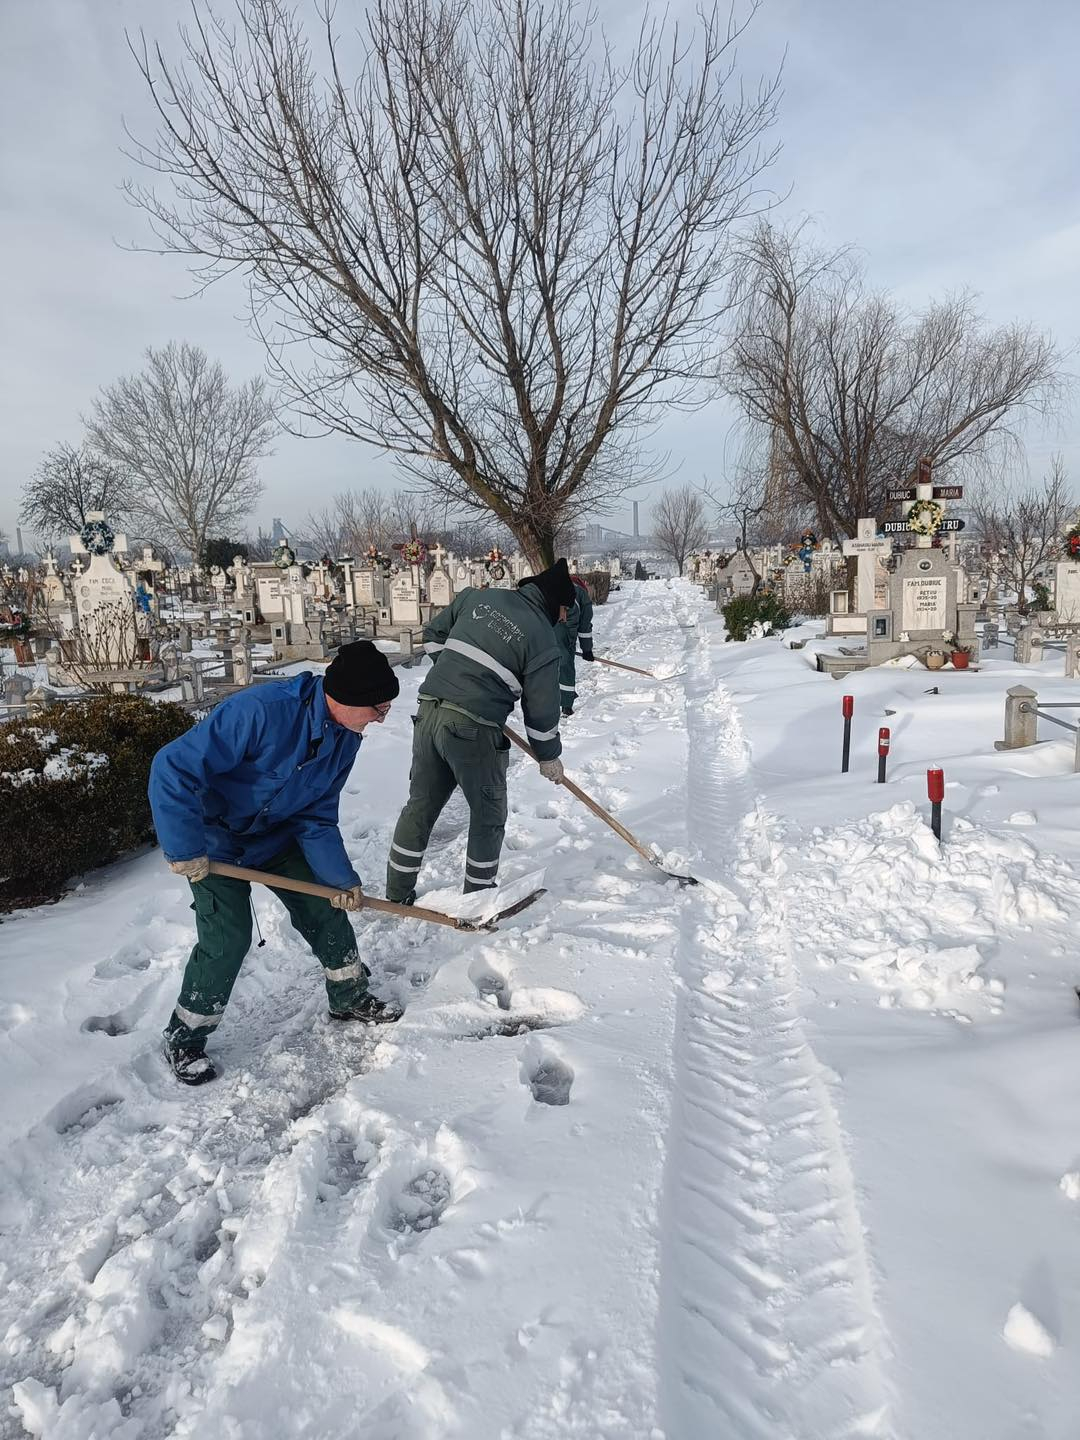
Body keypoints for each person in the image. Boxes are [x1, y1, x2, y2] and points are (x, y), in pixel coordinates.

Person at [149, 641, 401, 1086]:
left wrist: (340, 879)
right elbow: (173, 768)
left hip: (277, 836)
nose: (382, 719)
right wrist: (184, 848)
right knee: (227, 939)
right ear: (345, 699)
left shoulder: (346, 737)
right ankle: (184, 1037)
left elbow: (318, 813)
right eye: (378, 708)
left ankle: (349, 994)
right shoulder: (260, 712)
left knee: (327, 907)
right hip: (215, 845)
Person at [386, 558, 577, 904]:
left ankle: (396, 892)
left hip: (428, 712)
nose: (564, 618)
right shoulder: (542, 640)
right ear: (553, 601)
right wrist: (549, 757)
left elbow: (433, 636)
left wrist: (455, 676)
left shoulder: (476, 598)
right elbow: (541, 712)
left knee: (421, 805)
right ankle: (477, 900)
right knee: (488, 813)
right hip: (472, 729)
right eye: (564, 609)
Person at [555, 574, 595, 716]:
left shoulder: (549, 586)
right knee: (565, 666)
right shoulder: (581, 593)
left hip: (542, 630)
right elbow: (584, 625)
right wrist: (587, 650)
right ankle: (566, 706)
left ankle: (543, 704)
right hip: (565, 631)